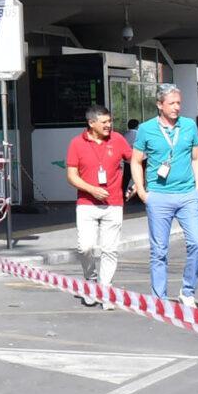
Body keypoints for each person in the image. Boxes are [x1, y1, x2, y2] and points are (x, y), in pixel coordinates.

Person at [130, 85, 198, 303]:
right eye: (171, 103)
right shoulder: (146, 129)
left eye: (178, 103)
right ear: (159, 105)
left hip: (187, 194)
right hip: (159, 196)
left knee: (197, 242)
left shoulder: (189, 126)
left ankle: (188, 291)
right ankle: (159, 299)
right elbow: (135, 161)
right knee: (159, 251)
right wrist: (143, 191)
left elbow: (197, 158)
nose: (176, 107)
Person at [65, 104, 135, 308]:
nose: (109, 125)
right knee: (84, 247)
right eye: (104, 122)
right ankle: (90, 280)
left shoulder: (118, 139)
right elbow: (71, 176)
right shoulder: (76, 143)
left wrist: (135, 184)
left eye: (110, 121)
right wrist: (91, 189)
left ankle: (105, 290)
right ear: (91, 123)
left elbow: (135, 161)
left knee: (110, 250)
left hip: (114, 203)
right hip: (87, 204)